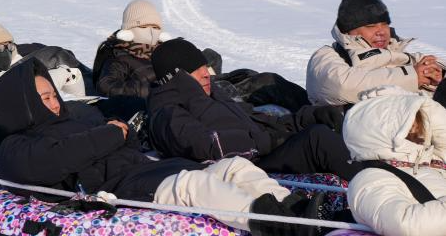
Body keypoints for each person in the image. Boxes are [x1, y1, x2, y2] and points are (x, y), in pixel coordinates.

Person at [0, 58, 324, 236]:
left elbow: (124, 142)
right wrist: (110, 134)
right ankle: (285, 228)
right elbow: (56, 160)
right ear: (23, 108)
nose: (54, 103)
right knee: (193, 185)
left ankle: (298, 211)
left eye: (52, 94)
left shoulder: (78, 117)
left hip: (146, 170)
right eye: (43, 99)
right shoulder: (16, 147)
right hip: (118, 188)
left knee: (234, 166)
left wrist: (123, 133)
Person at [146, 38, 357, 181]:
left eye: (204, 66)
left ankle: (370, 175)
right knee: (316, 139)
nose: (206, 73)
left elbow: (264, 123)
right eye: (195, 69)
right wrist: (268, 142)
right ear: (175, 78)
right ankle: (371, 190)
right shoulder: (167, 112)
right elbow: (207, 146)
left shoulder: (215, 96)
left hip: (261, 156)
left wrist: (311, 116)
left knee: (333, 127)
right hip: (245, 171)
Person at [341, 92, 446, 236]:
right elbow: (405, 225)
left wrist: (413, 99)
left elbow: (442, 134)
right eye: (410, 128)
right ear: (386, 133)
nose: (421, 134)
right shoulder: (371, 179)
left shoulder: (429, 164)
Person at [306, 0, 440, 106]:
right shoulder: (326, 56)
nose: (381, 31)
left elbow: (434, 65)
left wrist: (435, 74)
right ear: (348, 30)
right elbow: (342, 87)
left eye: (385, 24)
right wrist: (412, 77)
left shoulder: (398, 53)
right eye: (370, 26)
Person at [0, 16, 84, 119]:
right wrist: (53, 78)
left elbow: (72, 75)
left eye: (8, 46)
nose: (6, 51)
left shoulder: (11, 66)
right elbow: (12, 94)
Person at [92, 0, 171, 115]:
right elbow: (106, 86)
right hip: (144, 113)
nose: (151, 32)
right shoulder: (119, 57)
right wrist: (144, 90)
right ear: (128, 31)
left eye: (155, 27)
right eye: (143, 26)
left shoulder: (167, 54)